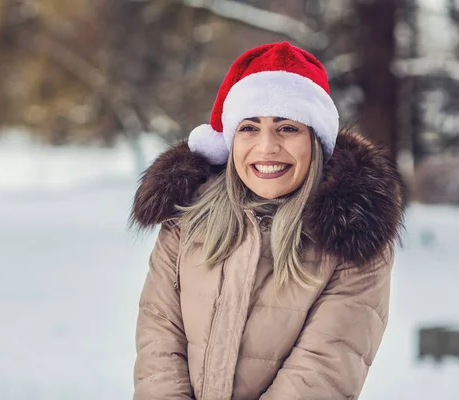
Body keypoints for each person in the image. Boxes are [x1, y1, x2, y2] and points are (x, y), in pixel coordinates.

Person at [130, 42, 406, 400]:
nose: (266, 147)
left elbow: (325, 367)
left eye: (287, 128)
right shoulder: (186, 219)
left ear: (315, 140)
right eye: (249, 128)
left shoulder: (352, 234)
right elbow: (159, 339)